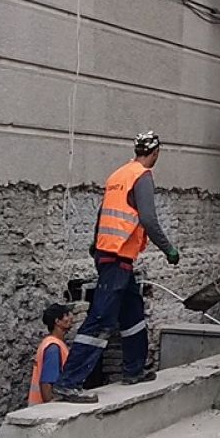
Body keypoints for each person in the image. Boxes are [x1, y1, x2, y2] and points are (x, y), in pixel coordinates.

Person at [51, 131, 181, 403]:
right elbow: (148, 219)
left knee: (132, 311)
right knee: (101, 319)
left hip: (109, 254)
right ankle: (68, 382)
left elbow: (103, 212)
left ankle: (134, 369)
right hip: (117, 257)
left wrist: (95, 241)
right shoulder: (142, 176)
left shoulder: (118, 175)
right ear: (155, 153)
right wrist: (168, 249)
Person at [28, 303, 74, 405]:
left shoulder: (52, 344)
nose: (71, 318)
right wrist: (50, 407)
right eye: (66, 315)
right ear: (57, 321)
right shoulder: (53, 347)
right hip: (44, 409)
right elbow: (46, 384)